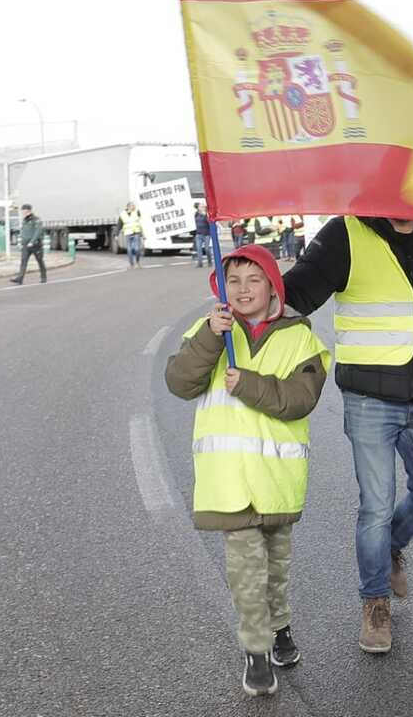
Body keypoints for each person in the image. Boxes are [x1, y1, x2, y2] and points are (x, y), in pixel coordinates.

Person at [282, 215, 413, 654]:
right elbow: (296, 294)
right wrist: (247, 293)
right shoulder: (345, 234)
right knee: (375, 505)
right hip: (369, 399)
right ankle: (375, 602)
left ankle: (390, 547)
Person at [164, 244, 330, 697]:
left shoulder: (301, 338)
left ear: (272, 285)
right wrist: (210, 339)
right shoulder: (209, 331)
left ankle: (280, 630)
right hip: (229, 481)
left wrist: (250, 385)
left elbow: (301, 399)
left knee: (276, 566)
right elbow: (180, 382)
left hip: (278, 481)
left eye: (253, 279)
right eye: (232, 280)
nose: (242, 290)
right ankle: (255, 652)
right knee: (245, 569)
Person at [9, 203, 46, 285]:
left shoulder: (36, 219)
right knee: (23, 261)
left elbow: (38, 231)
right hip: (25, 245)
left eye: (25, 211)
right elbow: (23, 232)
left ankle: (43, 277)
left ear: (29, 211)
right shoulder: (24, 220)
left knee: (40, 261)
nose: (23, 213)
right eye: (23, 211)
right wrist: (22, 242)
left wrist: (32, 242)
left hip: (36, 245)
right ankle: (20, 278)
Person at [118, 202, 144, 268]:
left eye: (134, 206)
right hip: (128, 233)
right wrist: (116, 234)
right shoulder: (122, 214)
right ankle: (131, 264)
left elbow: (142, 221)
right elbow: (119, 225)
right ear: (128, 207)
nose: (134, 207)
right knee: (129, 250)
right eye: (132, 206)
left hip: (136, 233)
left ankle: (137, 262)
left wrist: (142, 233)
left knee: (137, 249)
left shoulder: (137, 212)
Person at [193, 203, 211, 268]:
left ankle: (209, 261)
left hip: (206, 234)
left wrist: (205, 215)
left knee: (207, 249)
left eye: (203, 206)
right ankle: (200, 263)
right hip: (198, 234)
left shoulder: (207, 214)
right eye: (200, 206)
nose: (201, 208)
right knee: (199, 249)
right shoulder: (196, 214)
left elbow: (210, 222)